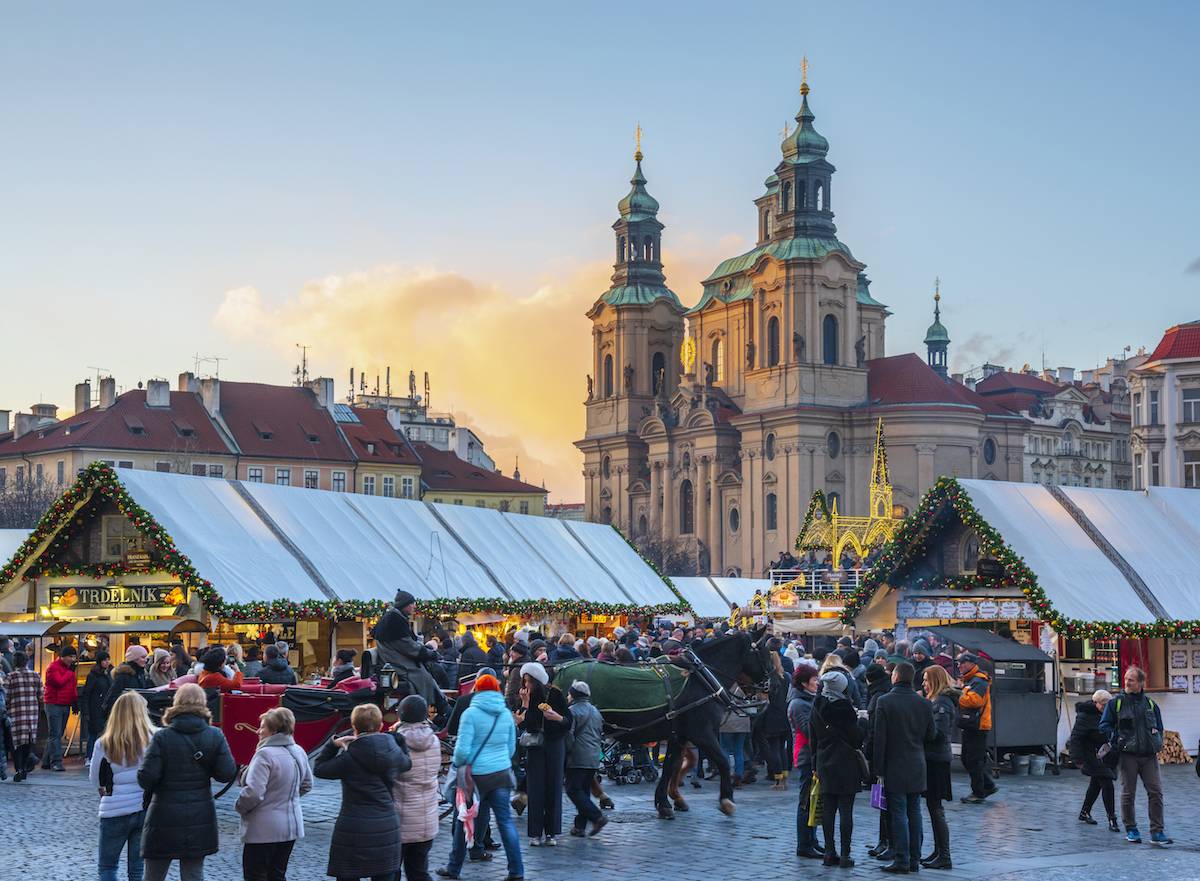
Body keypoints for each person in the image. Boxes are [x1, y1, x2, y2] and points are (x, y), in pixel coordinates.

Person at [139, 683, 237, 881]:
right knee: (193, 872)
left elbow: (146, 779)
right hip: (200, 813)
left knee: (154, 873)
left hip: (163, 812)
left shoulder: (162, 737)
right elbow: (227, 773)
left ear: (176, 702)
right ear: (203, 703)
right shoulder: (214, 735)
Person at [437, 673, 524, 881]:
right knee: (505, 823)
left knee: (463, 819)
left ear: (476, 689)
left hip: (474, 777)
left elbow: (462, 751)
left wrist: (457, 765)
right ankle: (516, 870)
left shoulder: (471, 713)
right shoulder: (505, 714)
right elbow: (512, 747)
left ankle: (454, 868)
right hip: (501, 774)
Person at [315, 703, 411, 881]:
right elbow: (407, 763)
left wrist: (333, 744)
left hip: (353, 827)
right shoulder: (392, 751)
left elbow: (319, 769)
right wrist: (398, 739)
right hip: (386, 824)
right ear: (380, 725)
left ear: (354, 727)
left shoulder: (349, 758)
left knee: (348, 874)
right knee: (384, 874)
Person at [236, 706, 313, 881]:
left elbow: (253, 793)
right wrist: (287, 796)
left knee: (256, 875)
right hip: (291, 825)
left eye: (262, 727)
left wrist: (240, 807)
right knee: (277, 875)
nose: (258, 731)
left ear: (273, 731)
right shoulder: (298, 751)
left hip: (263, 828)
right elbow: (307, 784)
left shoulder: (264, 755)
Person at [873, 660, 936, 874]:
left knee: (898, 812)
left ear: (896, 677)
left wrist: (877, 769)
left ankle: (901, 858)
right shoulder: (924, 704)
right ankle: (914, 859)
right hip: (917, 762)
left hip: (894, 764)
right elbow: (931, 735)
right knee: (914, 811)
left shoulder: (885, 701)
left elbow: (880, 738)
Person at [1099, 665, 1170, 845]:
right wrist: (1116, 736)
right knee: (1128, 793)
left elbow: (1159, 728)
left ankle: (1157, 832)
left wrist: (1156, 740)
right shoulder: (1116, 703)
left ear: (1140, 682)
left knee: (1156, 792)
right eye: (1126, 679)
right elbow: (1104, 725)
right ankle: (1131, 829)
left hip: (1149, 756)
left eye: (1131, 679)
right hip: (1127, 755)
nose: (1127, 682)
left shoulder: (1151, 704)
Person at [91, 691, 155, 881]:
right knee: (137, 869)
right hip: (144, 807)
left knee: (107, 867)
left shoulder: (104, 743)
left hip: (114, 809)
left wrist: (104, 791)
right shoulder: (155, 738)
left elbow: (95, 779)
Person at [811, 670, 863, 868]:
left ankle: (829, 852)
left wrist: (816, 763)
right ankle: (845, 854)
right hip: (846, 763)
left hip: (824, 761)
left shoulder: (817, 705)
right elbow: (856, 737)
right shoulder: (844, 708)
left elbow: (812, 736)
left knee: (829, 810)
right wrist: (863, 724)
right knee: (846, 811)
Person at [516, 661, 570, 846]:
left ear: (538, 681)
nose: (526, 686)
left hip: (554, 744)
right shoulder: (525, 697)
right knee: (535, 788)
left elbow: (569, 720)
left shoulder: (554, 694)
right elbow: (522, 724)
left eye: (530, 681)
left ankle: (551, 833)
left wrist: (557, 717)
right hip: (535, 746)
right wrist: (525, 704)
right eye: (524, 681)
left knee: (554, 787)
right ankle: (535, 833)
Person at [392, 695, 440, 881]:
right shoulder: (434, 741)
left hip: (401, 819)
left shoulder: (397, 741)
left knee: (391, 871)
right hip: (426, 818)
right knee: (419, 871)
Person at [372, 590, 445, 711]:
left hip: (395, 659)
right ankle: (426, 707)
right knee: (423, 676)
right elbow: (409, 647)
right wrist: (429, 654)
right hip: (397, 663)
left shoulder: (395, 618)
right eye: (411, 604)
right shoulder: (395, 621)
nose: (414, 606)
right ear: (404, 605)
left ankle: (440, 704)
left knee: (426, 673)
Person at [920, 665, 957, 869]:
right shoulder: (934, 701)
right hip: (933, 758)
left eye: (926, 680)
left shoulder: (941, 702)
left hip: (937, 760)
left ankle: (944, 855)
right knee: (933, 807)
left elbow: (938, 733)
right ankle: (938, 851)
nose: (924, 684)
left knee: (936, 808)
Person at [1071, 688, 1119, 832]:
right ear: (1095, 703)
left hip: (1106, 755)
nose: (1105, 708)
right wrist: (1077, 758)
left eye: (1107, 705)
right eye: (1103, 705)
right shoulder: (1085, 716)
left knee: (1096, 784)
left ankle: (1084, 812)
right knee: (1107, 783)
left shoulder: (1109, 714)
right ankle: (1112, 819)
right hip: (1091, 756)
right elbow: (1076, 738)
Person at [788, 665, 823, 859]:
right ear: (804, 683)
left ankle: (813, 840)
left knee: (813, 800)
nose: (817, 683)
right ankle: (804, 844)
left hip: (813, 755)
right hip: (805, 756)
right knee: (805, 802)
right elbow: (809, 731)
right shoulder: (798, 704)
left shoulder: (810, 700)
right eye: (814, 679)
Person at [564, 681, 606, 837]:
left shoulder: (572, 711)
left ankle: (597, 816)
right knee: (584, 791)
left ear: (574, 695)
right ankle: (579, 827)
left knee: (573, 790)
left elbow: (569, 736)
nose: (567, 696)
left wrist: (566, 752)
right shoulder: (595, 711)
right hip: (594, 757)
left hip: (578, 757)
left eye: (569, 693)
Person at [956, 653, 996, 805]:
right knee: (969, 758)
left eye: (962, 663)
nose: (959, 666)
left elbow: (975, 701)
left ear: (971, 663)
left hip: (978, 726)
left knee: (973, 760)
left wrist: (958, 694)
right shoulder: (972, 680)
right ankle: (988, 785)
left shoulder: (978, 680)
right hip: (972, 725)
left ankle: (978, 792)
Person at [5, 650, 42, 781]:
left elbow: (6, 696)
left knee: (16, 744)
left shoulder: (10, 677)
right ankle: (25, 767)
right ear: (26, 661)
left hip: (16, 714)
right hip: (32, 714)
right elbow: (40, 694)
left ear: (15, 662)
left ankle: (19, 769)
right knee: (28, 742)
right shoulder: (35, 675)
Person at [43, 644, 78, 771]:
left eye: (74, 656)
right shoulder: (53, 667)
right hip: (54, 703)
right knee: (55, 734)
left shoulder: (69, 669)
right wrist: (70, 673)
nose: (72, 659)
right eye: (70, 656)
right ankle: (56, 762)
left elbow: (72, 687)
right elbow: (59, 682)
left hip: (65, 703)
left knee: (57, 733)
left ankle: (46, 761)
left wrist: (75, 701)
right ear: (63, 657)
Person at [762, 648, 792, 789]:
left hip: (771, 714)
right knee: (782, 748)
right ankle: (784, 779)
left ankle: (778, 779)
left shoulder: (768, 677)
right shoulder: (786, 676)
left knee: (774, 748)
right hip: (784, 713)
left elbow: (764, 697)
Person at [82, 649, 114, 764]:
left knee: (104, 733)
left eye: (108, 660)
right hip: (95, 708)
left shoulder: (109, 674)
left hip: (105, 708)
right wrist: (86, 711)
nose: (107, 662)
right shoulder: (93, 675)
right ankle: (89, 757)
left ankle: (101, 757)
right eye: (105, 660)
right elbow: (87, 693)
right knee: (93, 734)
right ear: (100, 661)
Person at [719, 682, 752, 785]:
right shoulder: (745, 687)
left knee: (725, 749)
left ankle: (726, 774)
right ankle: (739, 775)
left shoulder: (724, 686)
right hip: (743, 720)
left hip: (727, 721)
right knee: (739, 750)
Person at [105, 646, 150, 721]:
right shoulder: (123, 676)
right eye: (143, 657)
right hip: (126, 717)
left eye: (146, 657)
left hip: (138, 715)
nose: (146, 660)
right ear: (134, 659)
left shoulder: (141, 674)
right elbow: (112, 697)